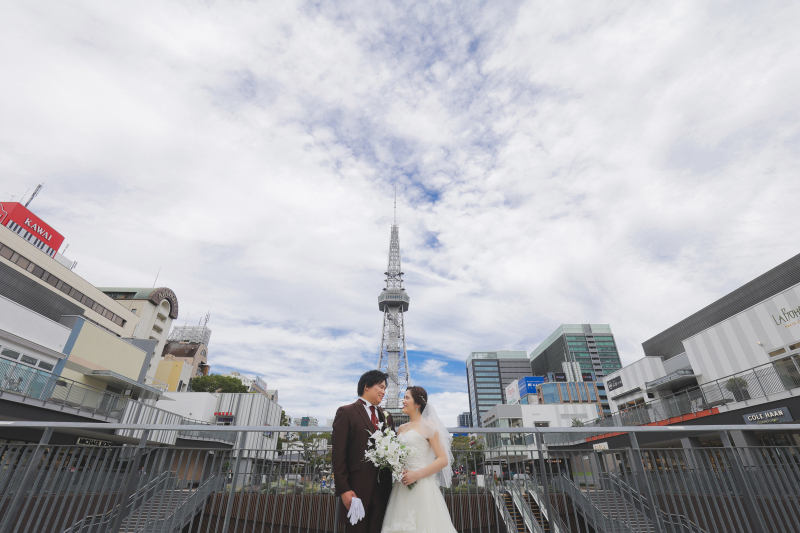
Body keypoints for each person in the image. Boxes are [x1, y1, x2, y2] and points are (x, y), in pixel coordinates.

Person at [381, 386, 457, 533]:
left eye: (407, 398)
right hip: (402, 485)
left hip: (421, 485)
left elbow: (443, 459)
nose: (403, 401)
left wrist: (416, 474)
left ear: (418, 404)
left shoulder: (429, 426)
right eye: (404, 397)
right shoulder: (401, 428)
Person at [332, 370, 395, 533]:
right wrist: (344, 489)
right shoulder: (346, 412)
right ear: (367, 386)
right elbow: (338, 455)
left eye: (385, 388)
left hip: (383, 488)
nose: (383, 391)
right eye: (380, 387)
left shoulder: (387, 417)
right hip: (356, 488)